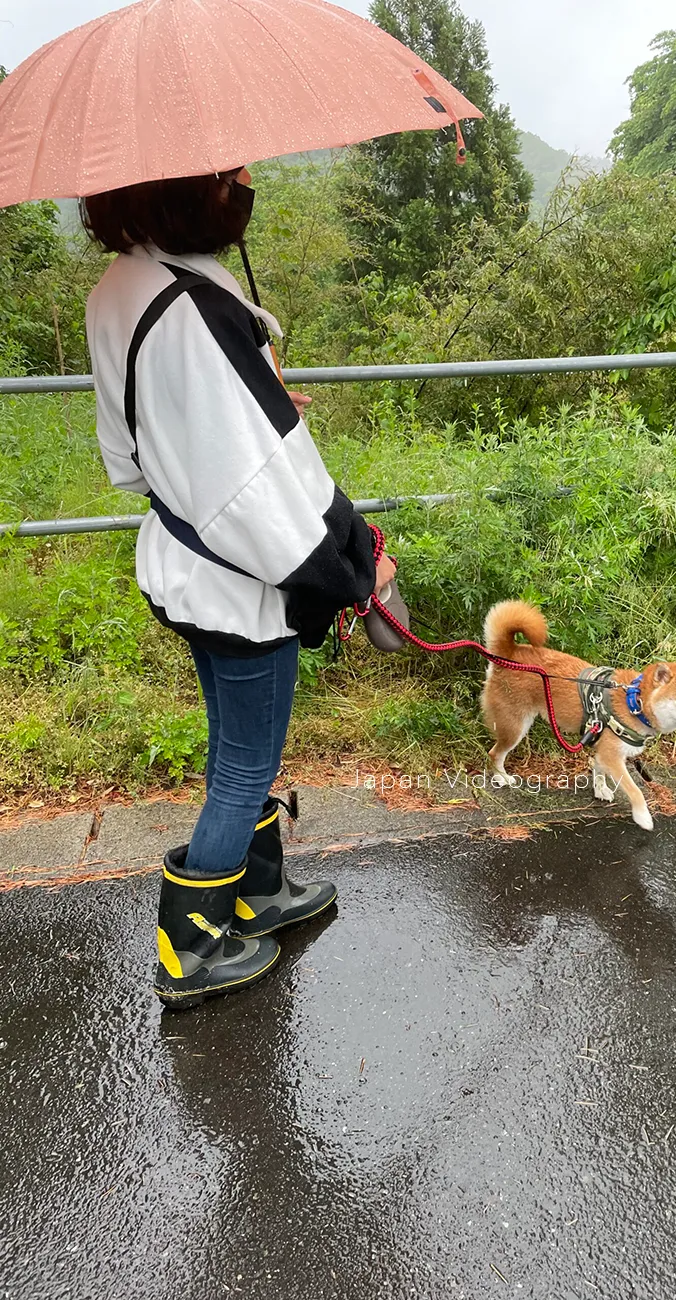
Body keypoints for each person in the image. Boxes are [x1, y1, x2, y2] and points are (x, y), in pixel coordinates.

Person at [83, 167, 396, 1010]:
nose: (246, 182)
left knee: (240, 751)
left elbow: (136, 449)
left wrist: (252, 402)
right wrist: (352, 566)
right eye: (228, 176)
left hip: (188, 564)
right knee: (243, 764)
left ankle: (257, 894)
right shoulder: (189, 307)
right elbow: (259, 494)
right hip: (237, 578)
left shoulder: (126, 285)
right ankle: (189, 947)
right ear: (177, 193)